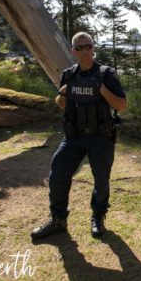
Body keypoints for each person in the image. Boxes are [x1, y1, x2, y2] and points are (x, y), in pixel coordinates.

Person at [31, 32, 127, 240]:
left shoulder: (106, 73)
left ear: (93, 48)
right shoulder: (69, 74)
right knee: (58, 172)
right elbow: (61, 104)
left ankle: (98, 216)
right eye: (79, 47)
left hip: (101, 136)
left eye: (88, 46)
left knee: (101, 179)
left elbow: (121, 105)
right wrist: (64, 93)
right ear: (73, 51)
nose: (84, 50)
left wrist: (102, 90)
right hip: (74, 136)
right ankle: (58, 219)